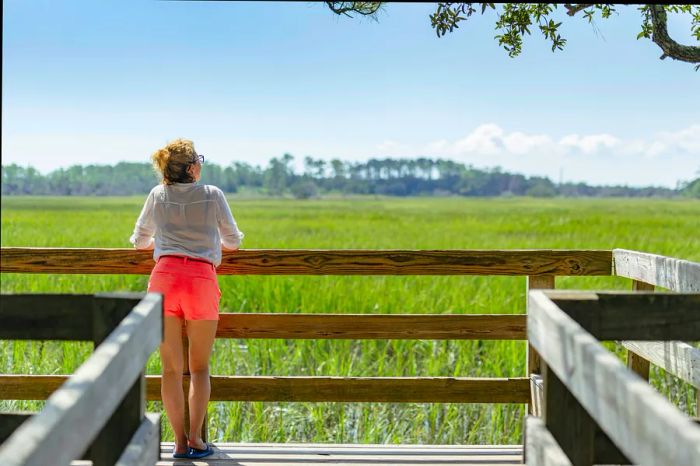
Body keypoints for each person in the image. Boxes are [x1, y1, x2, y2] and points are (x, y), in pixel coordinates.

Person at [130, 138, 244, 459]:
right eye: (199, 160)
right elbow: (232, 241)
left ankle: (178, 444)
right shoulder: (213, 195)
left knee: (170, 370)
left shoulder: (157, 195)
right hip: (201, 280)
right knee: (199, 368)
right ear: (193, 167)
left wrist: (166, 237)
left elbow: (140, 241)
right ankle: (196, 440)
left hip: (164, 279)